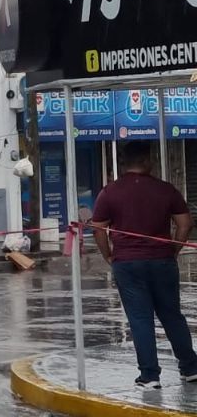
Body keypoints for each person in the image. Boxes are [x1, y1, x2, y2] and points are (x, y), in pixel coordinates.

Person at [90, 140, 197, 389]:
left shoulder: (110, 192)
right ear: (148, 160)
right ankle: (190, 367)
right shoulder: (166, 190)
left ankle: (150, 376)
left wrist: (108, 255)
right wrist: (173, 249)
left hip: (127, 263)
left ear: (125, 163)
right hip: (162, 261)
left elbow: (98, 229)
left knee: (140, 319)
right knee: (172, 315)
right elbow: (185, 224)